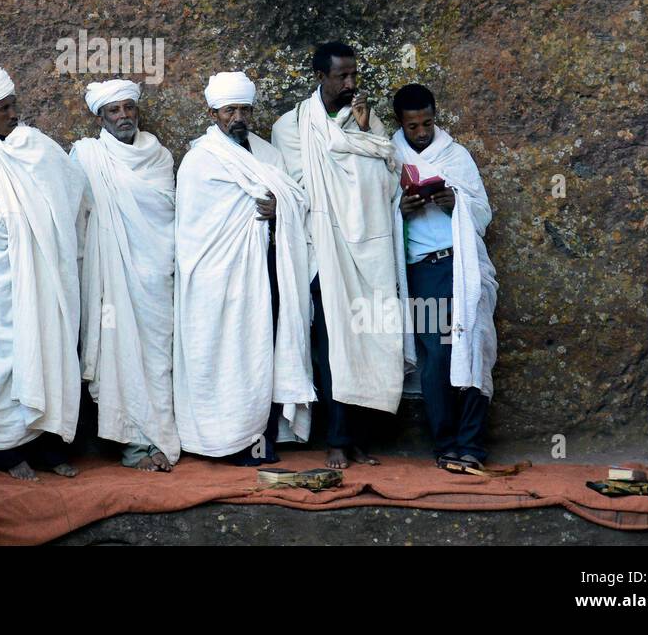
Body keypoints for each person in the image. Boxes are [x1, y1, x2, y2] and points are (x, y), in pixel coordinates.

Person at [271, 41, 411, 469]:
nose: (350, 83)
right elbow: (299, 192)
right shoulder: (292, 127)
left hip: (368, 251)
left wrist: (365, 133)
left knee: (371, 340)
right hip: (323, 253)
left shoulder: (369, 120)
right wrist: (354, 147)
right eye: (341, 76)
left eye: (354, 74)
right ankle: (335, 439)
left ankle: (360, 441)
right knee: (333, 348)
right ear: (320, 76)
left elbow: (388, 182)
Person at [0, 63, 86, 480]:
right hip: (1, 286)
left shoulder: (39, 146)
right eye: (3, 108)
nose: (13, 114)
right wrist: (23, 232)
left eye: (13, 105)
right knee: (4, 361)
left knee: (50, 351)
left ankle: (49, 446)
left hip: (47, 277)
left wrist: (44, 230)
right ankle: (6, 452)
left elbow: (73, 192)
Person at [173, 71, 314, 465]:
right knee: (227, 355)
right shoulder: (199, 161)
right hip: (217, 281)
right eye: (229, 109)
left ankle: (261, 443)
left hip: (266, 271)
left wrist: (278, 210)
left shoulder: (269, 156)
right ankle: (225, 440)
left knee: (264, 353)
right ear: (213, 112)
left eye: (244, 109)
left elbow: (297, 202)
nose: (238, 116)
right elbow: (193, 232)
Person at [70, 79, 180, 472]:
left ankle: (161, 437)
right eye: (113, 111)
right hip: (110, 278)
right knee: (120, 357)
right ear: (100, 116)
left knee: (158, 358)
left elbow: (165, 214)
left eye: (128, 108)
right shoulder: (87, 156)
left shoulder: (159, 156)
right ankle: (135, 446)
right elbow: (78, 220)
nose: (123, 116)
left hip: (155, 277)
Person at [390, 83, 498, 471]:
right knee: (436, 356)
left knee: (471, 347)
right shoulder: (389, 158)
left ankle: (471, 446)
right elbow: (374, 217)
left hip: (462, 264)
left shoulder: (456, 156)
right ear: (399, 123)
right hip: (422, 269)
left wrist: (457, 205)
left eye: (428, 123)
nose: (421, 132)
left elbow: (483, 215)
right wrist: (399, 208)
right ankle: (445, 445)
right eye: (413, 125)